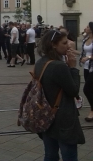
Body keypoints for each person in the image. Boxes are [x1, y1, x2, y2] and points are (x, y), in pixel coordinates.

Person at [35, 29, 84, 160]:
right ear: (53, 45)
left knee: (50, 155)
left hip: (46, 117)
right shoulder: (58, 66)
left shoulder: (41, 62)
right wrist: (73, 68)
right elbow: (73, 91)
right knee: (69, 156)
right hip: (63, 119)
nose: (69, 45)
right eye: (64, 43)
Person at [79, 22, 93, 122]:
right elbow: (83, 53)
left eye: (87, 27)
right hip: (86, 67)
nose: (85, 28)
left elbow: (88, 55)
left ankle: (92, 110)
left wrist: (88, 58)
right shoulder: (85, 39)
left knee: (86, 89)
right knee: (91, 89)